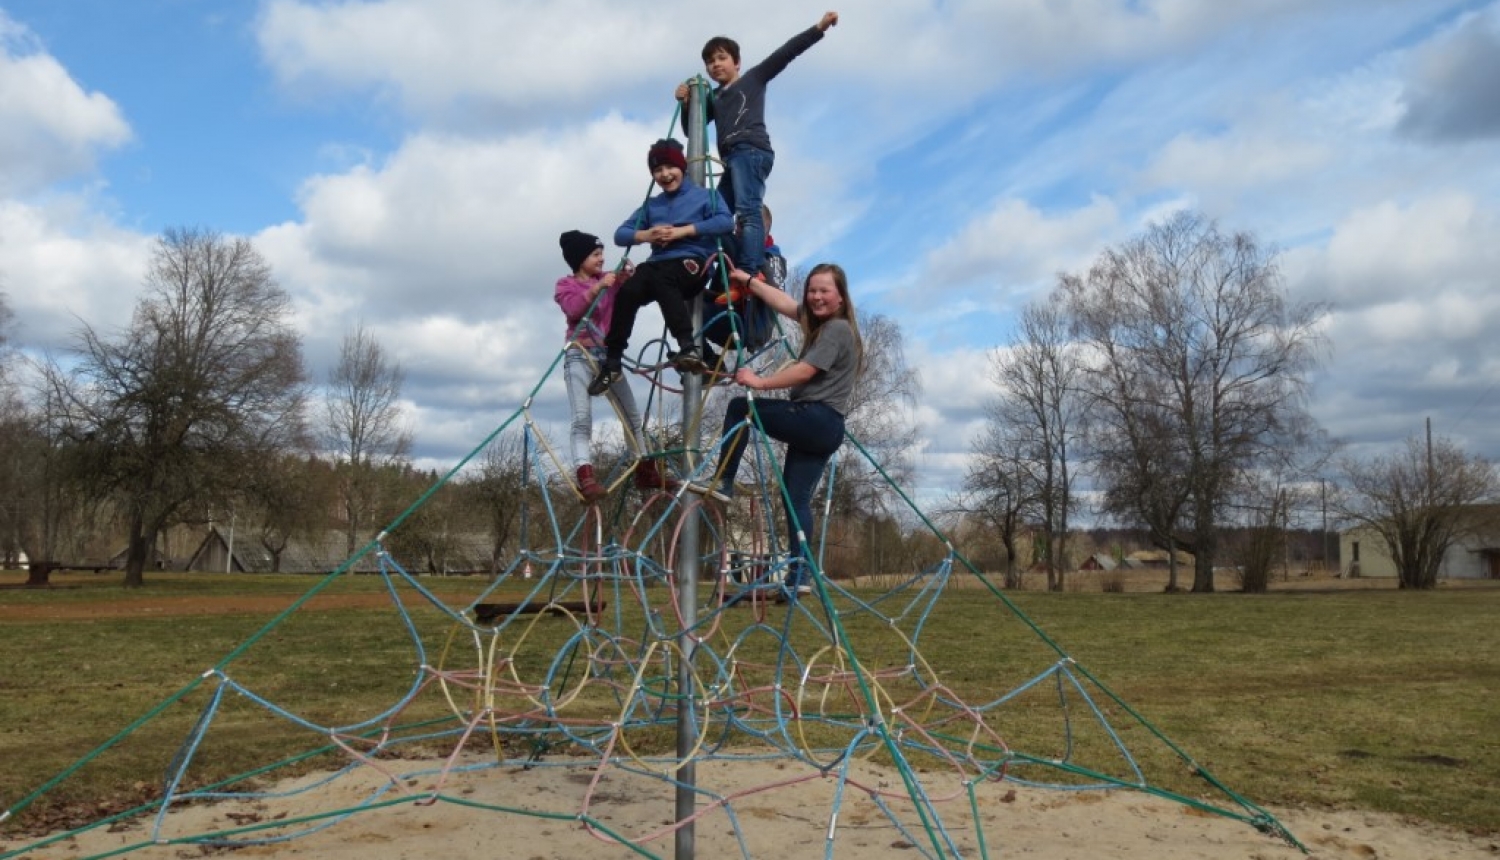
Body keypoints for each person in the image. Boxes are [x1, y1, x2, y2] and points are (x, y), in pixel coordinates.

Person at [687, 263, 863, 596]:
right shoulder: (821, 323)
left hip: (816, 417)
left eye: (824, 290)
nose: (816, 297)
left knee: (741, 408)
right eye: (812, 290)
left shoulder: (836, 329)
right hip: (825, 427)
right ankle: (800, 578)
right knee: (795, 500)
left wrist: (761, 382)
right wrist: (750, 282)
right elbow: (784, 303)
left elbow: (805, 372)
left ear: (841, 297)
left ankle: (723, 480)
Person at [674, 12, 838, 279]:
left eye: (721, 58)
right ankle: (742, 262)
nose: (715, 65)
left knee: (748, 210)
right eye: (709, 62)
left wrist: (819, 29)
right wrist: (685, 105)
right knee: (716, 215)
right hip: (732, 158)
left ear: (736, 62)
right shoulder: (713, 97)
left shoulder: (753, 79)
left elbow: (786, 53)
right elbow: (691, 129)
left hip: (750, 150)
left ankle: (748, 272)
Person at [587, 138, 734, 397]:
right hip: (658, 264)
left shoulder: (704, 197)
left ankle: (688, 346)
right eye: (657, 170)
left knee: (664, 278)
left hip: (692, 262)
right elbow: (620, 234)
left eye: (670, 167)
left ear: (682, 166)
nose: (665, 174)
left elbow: (725, 222)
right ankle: (612, 361)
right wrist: (646, 235)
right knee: (629, 290)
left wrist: (683, 231)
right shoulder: (653, 205)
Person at [555, 230, 674, 502]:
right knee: (582, 418)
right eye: (596, 254)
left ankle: (645, 469)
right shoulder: (565, 284)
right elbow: (573, 310)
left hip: (608, 357)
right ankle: (585, 476)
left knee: (632, 416)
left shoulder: (608, 279)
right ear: (580, 258)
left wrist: (626, 275)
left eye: (602, 254)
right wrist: (599, 287)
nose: (602, 258)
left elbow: (629, 290)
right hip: (580, 355)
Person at [702, 203, 786, 358]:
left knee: (725, 237)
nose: (737, 229)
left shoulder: (772, 258)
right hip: (726, 312)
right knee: (678, 298)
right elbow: (719, 294)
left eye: (742, 225)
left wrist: (757, 271)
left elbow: (778, 294)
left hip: (747, 327)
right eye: (736, 223)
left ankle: (707, 358)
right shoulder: (732, 255)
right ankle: (705, 357)